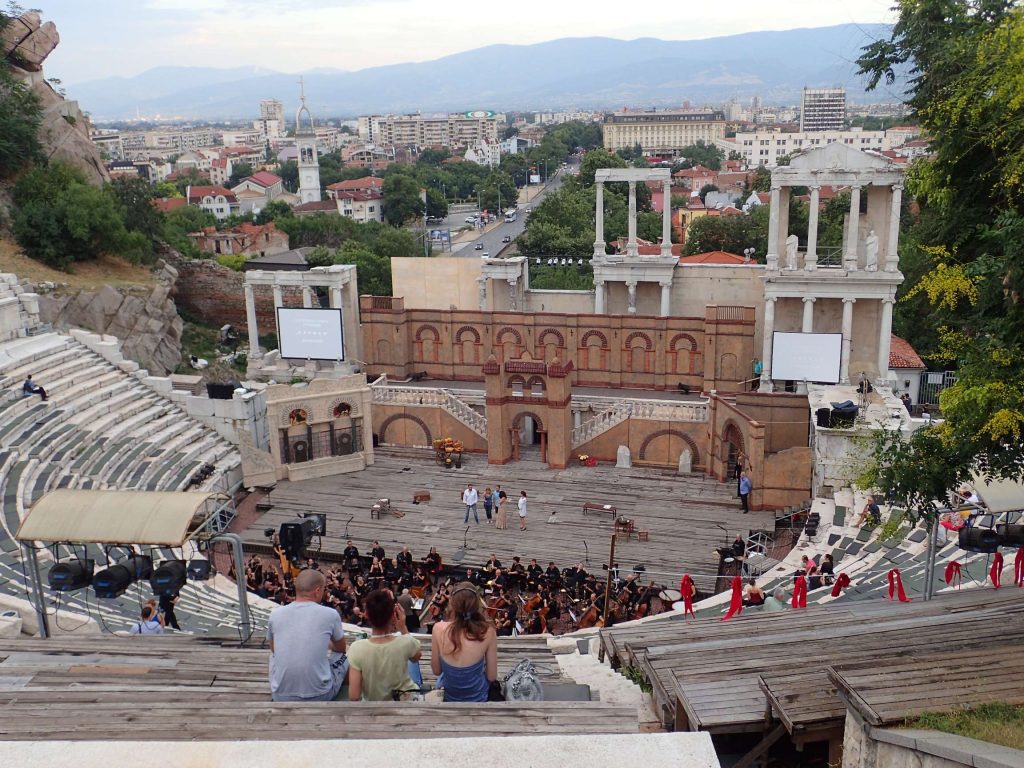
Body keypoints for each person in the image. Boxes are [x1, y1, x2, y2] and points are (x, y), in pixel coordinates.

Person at [266, 569, 348, 702]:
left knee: (273, 656)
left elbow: (274, 649)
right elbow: (341, 648)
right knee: (344, 656)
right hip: (320, 694)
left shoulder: (276, 614)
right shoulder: (330, 614)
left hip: (280, 695)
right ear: (317, 591)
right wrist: (327, 643)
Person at [347, 589, 422, 702]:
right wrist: (403, 628)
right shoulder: (406, 641)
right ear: (393, 615)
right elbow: (416, 658)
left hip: (374, 705)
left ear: (366, 614)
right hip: (403, 701)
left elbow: (354, 696)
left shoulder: (356, 648)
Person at [430, 582, 498, 702]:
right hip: (478, 697)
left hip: (449, 696)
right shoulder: (489, 632)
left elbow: (436, 671)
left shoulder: (438, 629)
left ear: (453, 604)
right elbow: (491, 676)